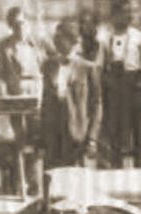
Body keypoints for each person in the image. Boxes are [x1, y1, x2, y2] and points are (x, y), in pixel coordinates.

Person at [40, 20, 103, 169]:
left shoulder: (87, 68)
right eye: (55, 37)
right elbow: (45, 101)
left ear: (72, 40)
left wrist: (92, 138)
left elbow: (96, 105)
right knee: (52, 175)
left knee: (76, 177)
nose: (55, 41)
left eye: (59, 37)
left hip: (77, 133)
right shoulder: (48, 65)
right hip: (53, 134)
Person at [0, 6, 43, 193]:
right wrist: (2, 91)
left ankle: (35, 182)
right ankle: (20, 183)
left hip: (37, 96)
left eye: (22, 23)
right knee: (21, 140)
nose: (19, 28)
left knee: (37, 139)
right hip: (16, 98)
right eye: (15, 25)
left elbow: (48, 65)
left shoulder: (36, 43)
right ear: (10, 26)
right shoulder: (4, 46)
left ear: (28, 23)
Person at [103, 2, 141, 168]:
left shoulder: (138, 36)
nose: (128, 16)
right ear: (115, 15)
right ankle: (116, 169)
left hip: (134, 85)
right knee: (115, 132)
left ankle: (140, 169)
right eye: (124, 13)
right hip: (115, 87)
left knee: (138, 131)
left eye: (129, 12)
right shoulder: (106, 38)